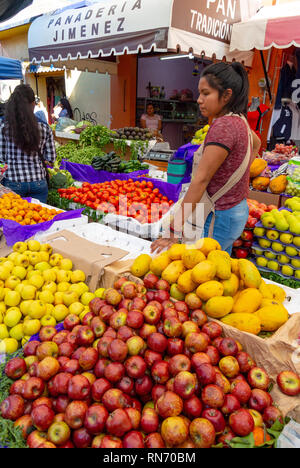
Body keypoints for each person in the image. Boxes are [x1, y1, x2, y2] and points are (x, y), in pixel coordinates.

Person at [151, 62, 261, 255]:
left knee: (202, 274)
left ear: (226, 95)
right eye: (199, 93)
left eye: (206, 93)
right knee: (218, 268)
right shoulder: (240, 120)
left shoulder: (223, 126)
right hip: (236, 211)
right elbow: (257, 143)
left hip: (217, 216)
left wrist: (173, 229)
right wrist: (235, 174)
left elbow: (200, 180)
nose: (199, 100)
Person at [0, 84, 56, 203]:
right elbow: (51, 158)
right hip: (39, 182)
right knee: (39, 219)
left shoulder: (4, 127)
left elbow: (1, 158)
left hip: (13, 181)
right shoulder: (45, 127)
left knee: (16, 219)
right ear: (33, 104)